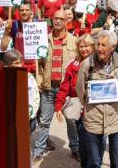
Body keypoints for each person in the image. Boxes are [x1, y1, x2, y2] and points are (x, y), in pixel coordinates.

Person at [76, 30, 118, 168]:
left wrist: (117, 101)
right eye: (98, 44)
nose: (99, 48)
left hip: (116, 118)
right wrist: (90, 105)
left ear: (112, 47)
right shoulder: (87, 64)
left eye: (104, 45)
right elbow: (80, 89)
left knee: (116, 162)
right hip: (94, 119)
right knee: (94, 162)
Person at [33, 10, 80, 163]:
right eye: (55, 18)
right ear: (51, 20)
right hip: (48, 87)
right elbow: (38, 62)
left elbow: (80, 62)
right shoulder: (44, 39)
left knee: (71, 120)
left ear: (67, 20)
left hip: (66, 90)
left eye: (61, 18)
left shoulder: (75, 41)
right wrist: (39, 79)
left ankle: (75, 149)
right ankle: (39, 151)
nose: (58, 21)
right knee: (45, 120)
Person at [55, 34, 96, 167]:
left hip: (96, 109)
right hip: (79, 107)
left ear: (93, 47)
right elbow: (64, 87)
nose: (84, 49)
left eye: (87, 46)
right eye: (81, 46)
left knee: (95, 141)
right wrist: (58, 107)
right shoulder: (73, 65)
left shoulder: (100, 63)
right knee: (83, 141)